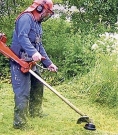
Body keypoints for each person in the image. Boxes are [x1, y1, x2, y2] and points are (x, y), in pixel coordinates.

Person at [10, 0, 58, 129]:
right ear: (40, 8)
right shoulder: (26, 18)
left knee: (38, 86)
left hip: (30, 62)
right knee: (22, 92)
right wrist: (33, 52)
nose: (47, 15)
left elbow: (39, 45)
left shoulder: (37, 24)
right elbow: (22, 37)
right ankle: (19, 123)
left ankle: (35, 112)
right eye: (47, 12)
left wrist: (48, 63)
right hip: (19, 61)